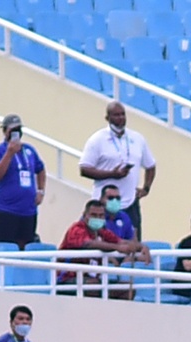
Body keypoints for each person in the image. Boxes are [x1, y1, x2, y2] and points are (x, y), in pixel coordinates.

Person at [78, 102, 157, 237]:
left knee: (133, 243)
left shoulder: (137, 138)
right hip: (102, 205)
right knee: (101, 241)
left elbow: (151, 166)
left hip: (130, 201)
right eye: (116, 115)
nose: (120, 118)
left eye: (123, 114)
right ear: (107, 118)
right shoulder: (97, 140)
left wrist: (146, 188)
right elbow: (84, 169)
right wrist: (112, 174)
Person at [58, 198, 150, 298]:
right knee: (93, 286)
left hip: (94, 279)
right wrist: (118, 248)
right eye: (93, 215)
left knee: (127, 289)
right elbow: (88, 244)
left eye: (101, 216)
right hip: (68, 279)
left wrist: (142, 247)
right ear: (85, 215)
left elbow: (121, 241)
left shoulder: (101, 231)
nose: (97, 218)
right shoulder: (76, 229)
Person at [0, 113, 46, 246]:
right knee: (5, 246)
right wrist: (9, 153)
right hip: (7, 210)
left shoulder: (29, 150)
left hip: (28, 211)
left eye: (18, 129)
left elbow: (41, 169)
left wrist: (41, 191)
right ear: (5, 131)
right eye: (12, 130)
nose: (16, 133)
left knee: (26, 246)